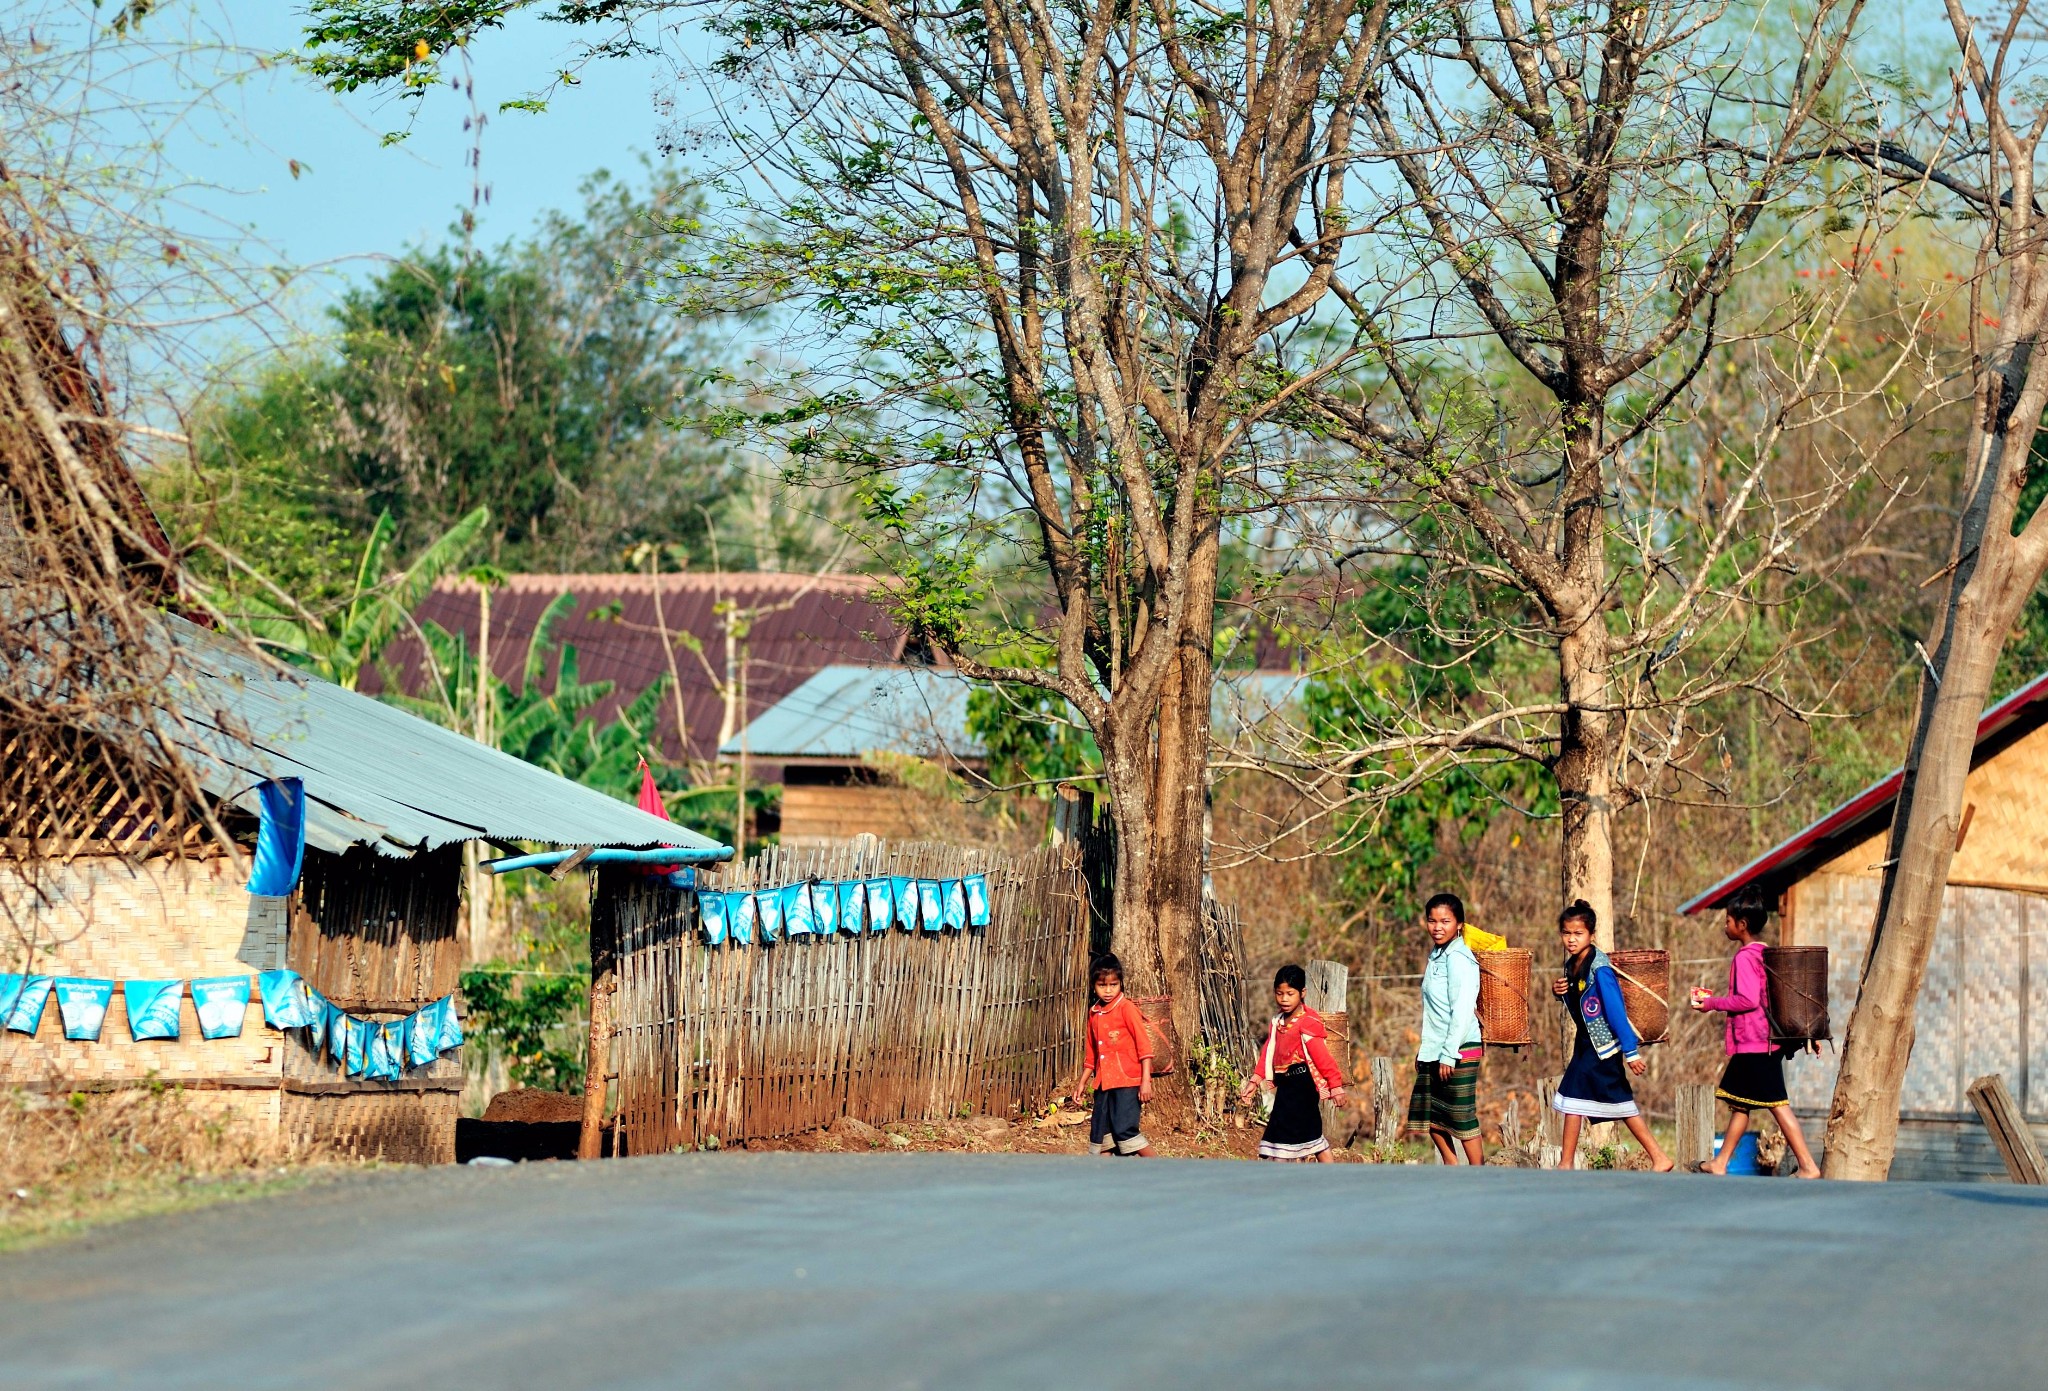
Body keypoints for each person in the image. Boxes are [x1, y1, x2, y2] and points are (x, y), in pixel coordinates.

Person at [1689, 896, 1822, 1178]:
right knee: (1741, 1103)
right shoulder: (1767, 954)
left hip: (1755, 1044)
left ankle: (1808, 1166)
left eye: (1727, 921)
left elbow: (1747, 1000)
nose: (1724, 926)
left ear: (1742, 924)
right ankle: (1720, 1163)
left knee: (1776, 1104)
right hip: (1762, 1042)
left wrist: (1711, 1004)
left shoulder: (1745, 957)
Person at [1550, 900, 1674, 1172]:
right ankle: (1567, 1162)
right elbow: (1580, 1002)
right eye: (1566, 933)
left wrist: (1630, 1051)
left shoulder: (1600, 967)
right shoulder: (1572, 965)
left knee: (1594, 1098)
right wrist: (1560, 992)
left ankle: (1658, 1157)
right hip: (1585, 1045)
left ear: (1591, 935)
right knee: (1581, 1098)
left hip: (1604, 1047)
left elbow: (1616, 1010)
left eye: (1578, 934)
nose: (1571, 939)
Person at [1238, 963, 1348, 1161]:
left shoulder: (1307, 1022)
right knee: (1311, 1135)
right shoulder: (1278, 1021)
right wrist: (1255, 1080)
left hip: (1303, 1085)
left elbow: (1322, 1058)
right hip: (1286, 1086)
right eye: (1280, 994)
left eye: (1290, 993)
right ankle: (1331, 1173)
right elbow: (1268, 1052)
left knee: (1284, 1134)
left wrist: (1336, 1086)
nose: (1284, 999)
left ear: (1302, 993)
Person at [1408, 892, 1484, 1164]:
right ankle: (1453, 1167)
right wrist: (1425, 1049)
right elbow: (1435, 1012)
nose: (1437, 927)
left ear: (1459, 924)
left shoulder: (1459, 958)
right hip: (1436, 1048)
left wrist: (1450, 1053)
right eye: (1432, 921)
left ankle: (1480, 1173)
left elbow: (1462, 1011)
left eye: (1445, 921)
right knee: (1430, 1115)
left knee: (1460, 1116)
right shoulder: (1437, 955)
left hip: (1460, 1048)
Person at [1072, 954, 1155, 1157]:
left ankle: (1161, 1170)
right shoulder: (1094, 1013)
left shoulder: (1127, 1008)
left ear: (1120, 984)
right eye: (1102, 985)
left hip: (1128, 1081)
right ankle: (1105, 1185)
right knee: (1102, 1135)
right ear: (1094, 986)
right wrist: (1082, 1083)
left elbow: (1145, 1047)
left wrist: (1146, 1082)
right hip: (1103, 1084)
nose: (1108, 990)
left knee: (1125, 1130)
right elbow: (1091, 1055)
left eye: (1113, 985)